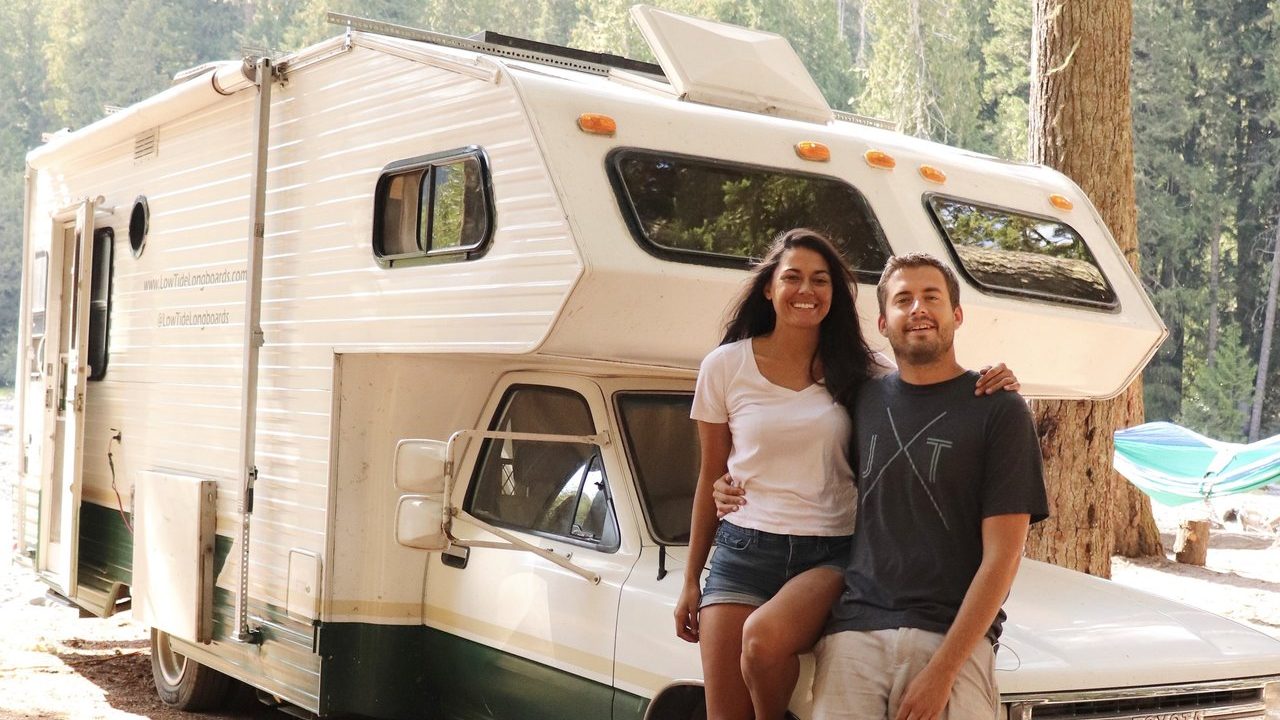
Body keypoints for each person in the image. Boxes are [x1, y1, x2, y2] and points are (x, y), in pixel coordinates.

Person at [677, 231, 1020, 720]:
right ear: (769, 288)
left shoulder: (864, 372)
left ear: (834, 295)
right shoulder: (724, 367)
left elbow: (925, 381)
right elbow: (711, 473)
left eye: (821, 280)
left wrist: (994, 376)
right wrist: (691, 578)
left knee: (762, 642)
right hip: (744, 550)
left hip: (831, 550)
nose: (806, 290)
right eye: (792, 277)